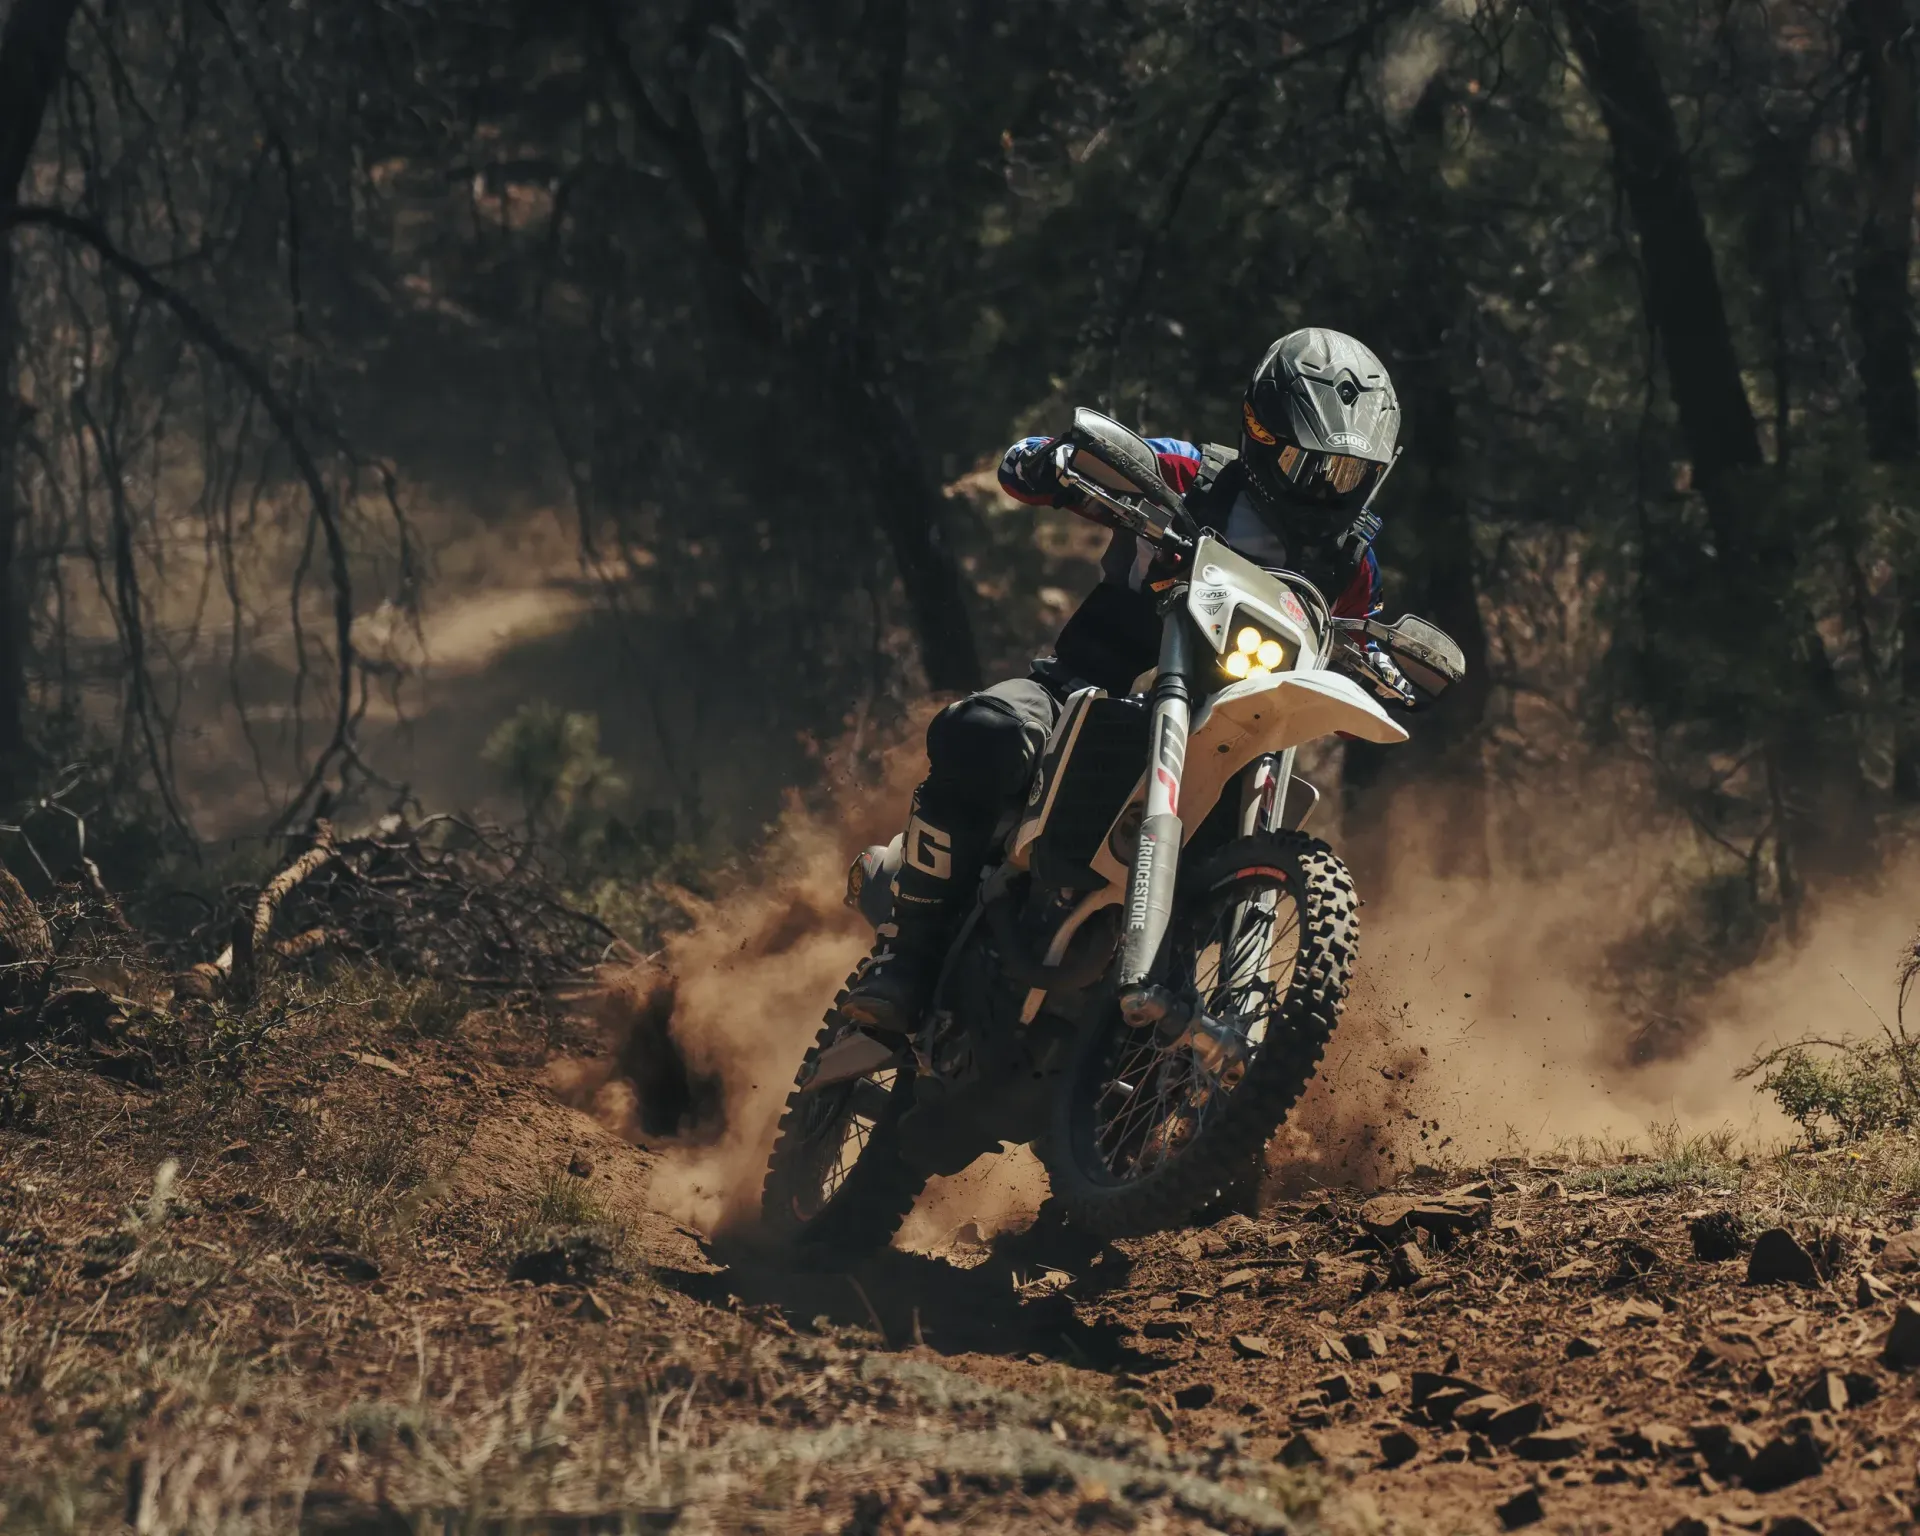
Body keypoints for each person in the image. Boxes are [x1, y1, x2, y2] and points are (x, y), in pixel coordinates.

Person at [840, 327, 1413, 1035]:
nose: (1327, 487)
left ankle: (1191, 1078)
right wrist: (1053, 462)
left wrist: (1387, 663)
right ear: (1262, 433)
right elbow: (1031, 470)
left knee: (1256, 825)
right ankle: (909, 957)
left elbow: (1365, 629)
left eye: (1348, 474)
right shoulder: (1193, 478)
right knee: (983, 731)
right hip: (1092, 686)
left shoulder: (1350, 564)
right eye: (1310, 464)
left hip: (1230, 733)